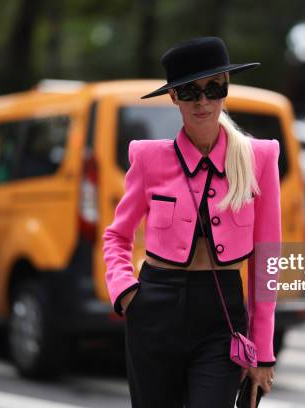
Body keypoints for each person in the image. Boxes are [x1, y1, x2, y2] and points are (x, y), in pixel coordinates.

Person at [102, 36, 281, 408]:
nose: (203, 101)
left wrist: (263, 353)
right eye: (190, 91)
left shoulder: (258, 159)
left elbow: (266, 259)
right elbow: (116, 236)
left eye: (214, 89)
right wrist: (126, 292)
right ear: (174, 97)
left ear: (226, 91)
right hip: (155, 306)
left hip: (222, 314)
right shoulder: (149, 159)